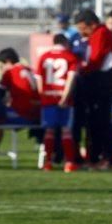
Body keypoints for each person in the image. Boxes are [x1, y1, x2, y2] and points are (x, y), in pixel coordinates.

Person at [75, 9, 112, 170]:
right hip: (103, 84)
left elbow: (96, 59)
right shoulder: (100, 33)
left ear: (92, 24)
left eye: (83, 28)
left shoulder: (100, 34)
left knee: (100, 122)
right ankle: (99, 157)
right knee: (98, 122)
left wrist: (81, 69)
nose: (82, 32)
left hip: (102, 85)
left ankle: (105, 158)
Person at [0, 47, 41, 167]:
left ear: (8, 61)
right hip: (37, 114)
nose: (1, 69)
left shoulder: (10, 72)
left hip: (23, 114)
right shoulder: (29, 69)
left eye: (1, 66)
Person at [36, 34, 80, 172]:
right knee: (66, 131)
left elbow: (39, 79)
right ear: (65, 42)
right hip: (63, 98)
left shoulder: (44, 56)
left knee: (49, 131)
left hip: (48, 98)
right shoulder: (70, 57)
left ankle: (48, 163)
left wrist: (42, 95)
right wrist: (65, 97)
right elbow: (71, 79)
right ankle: (69, 163)